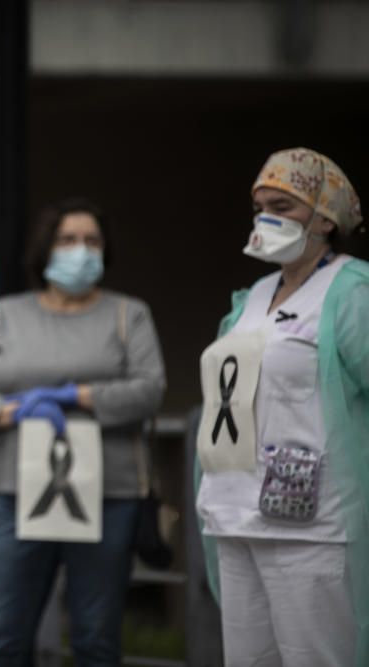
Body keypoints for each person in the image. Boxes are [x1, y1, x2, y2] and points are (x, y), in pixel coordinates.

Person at [195, 148, 367, 666]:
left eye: (283, 206)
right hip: (232, 511)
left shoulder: (352, 291)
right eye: (259, 206)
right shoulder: (251, 296)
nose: (265, 217)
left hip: (310, 524)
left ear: (325, 217)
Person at [0, 198, 167, 666]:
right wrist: (14, 410)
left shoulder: (129, 314)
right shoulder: (5, 314)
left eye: (92, 241)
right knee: (5, 638)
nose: (80, 250)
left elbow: (150, 390)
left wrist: (75, 397)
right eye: (68, 240)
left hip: (110, 496)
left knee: (95, 640)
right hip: (17, 494)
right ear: (46, 249)